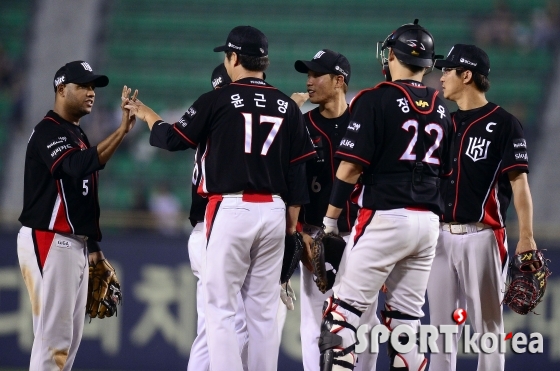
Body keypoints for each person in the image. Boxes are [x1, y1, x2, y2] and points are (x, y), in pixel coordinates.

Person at [125, 25, 316, 371]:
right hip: (274, 211)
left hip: (232, 208)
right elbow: (299, 171)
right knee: (262, 312)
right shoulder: (287, 107)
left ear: (233, 58)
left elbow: (172, 140)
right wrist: (291, 229)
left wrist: (145, 113)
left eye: (226, 56)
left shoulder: (217, 99)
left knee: (221, 308)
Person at [317, 20, 453, 370]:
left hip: (386, 216)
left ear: (392, 55)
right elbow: (447, 172)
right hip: (428, 223)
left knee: (340, 318)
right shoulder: (442, 108)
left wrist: (330, 221)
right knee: (404, 324)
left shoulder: (375, 98)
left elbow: (349, 169)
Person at [17, 61, 136, 371]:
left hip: (73, 243)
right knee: (53, 341)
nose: (91, 92)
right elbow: (73, 166)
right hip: (48, 238)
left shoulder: (76, 134)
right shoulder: (48, 130)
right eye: (83, 85)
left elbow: (81, 196)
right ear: (61, 89)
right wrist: (122, 131)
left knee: (66, 344)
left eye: (93, 87)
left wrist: (94, 247)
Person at [427, 44, 535, 371]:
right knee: (440, 333)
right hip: (439, 237)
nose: (441, 76)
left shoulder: (503, 124)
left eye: (448, 70)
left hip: (482, 236)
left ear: (467, 75)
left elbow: (519, 185)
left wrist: (527, 237)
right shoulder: (442, 122)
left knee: (488, 331)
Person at [293, 49, 380, 371]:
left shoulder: (365, 125)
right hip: (316, 238)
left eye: (317, 75)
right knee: (315, 321)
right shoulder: (300, 127)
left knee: (366, 321)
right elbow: (292, 189)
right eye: (308, 74)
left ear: (339, 81)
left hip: (362, 237)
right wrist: (300, 235)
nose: (309, 81)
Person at [186, 63, 249, 371]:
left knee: (210, 329)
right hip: (214, 231)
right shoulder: (228, 130)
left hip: (207, 231)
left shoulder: (213, 125)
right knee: (234, 324)